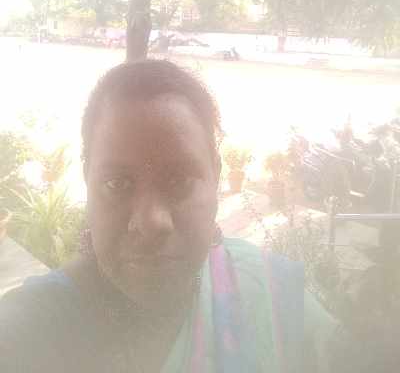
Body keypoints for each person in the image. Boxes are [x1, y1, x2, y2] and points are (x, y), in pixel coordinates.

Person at [0, 60, 335, 372]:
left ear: (216, 177)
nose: (151, 222)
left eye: (180, 182)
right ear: (87, 179)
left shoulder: (272, 301)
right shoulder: (25, 333)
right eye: (117, 183)